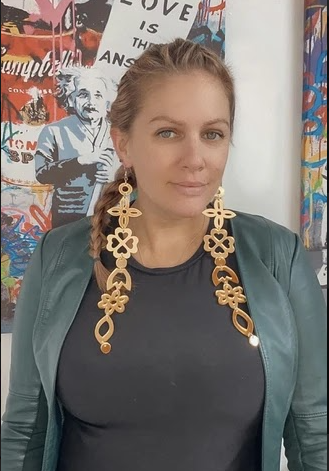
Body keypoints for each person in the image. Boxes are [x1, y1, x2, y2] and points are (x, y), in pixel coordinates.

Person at [1, 38, 327, 471]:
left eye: (213, 134)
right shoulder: (58, 257)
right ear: (123, 143)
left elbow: (315, 435)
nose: (195, 159)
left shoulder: (277, 257)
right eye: (168, 132)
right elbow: (25, 432)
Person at [35, 66, 118, 228]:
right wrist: (82, 161)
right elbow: (42, 174)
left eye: (98, 95)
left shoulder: (118, 134)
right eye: (83, 94)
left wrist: (114, 173)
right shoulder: (53, 132)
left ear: (107, 102)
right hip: (68, 216)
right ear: (71, 99)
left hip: (111, 213)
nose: (91, 102)